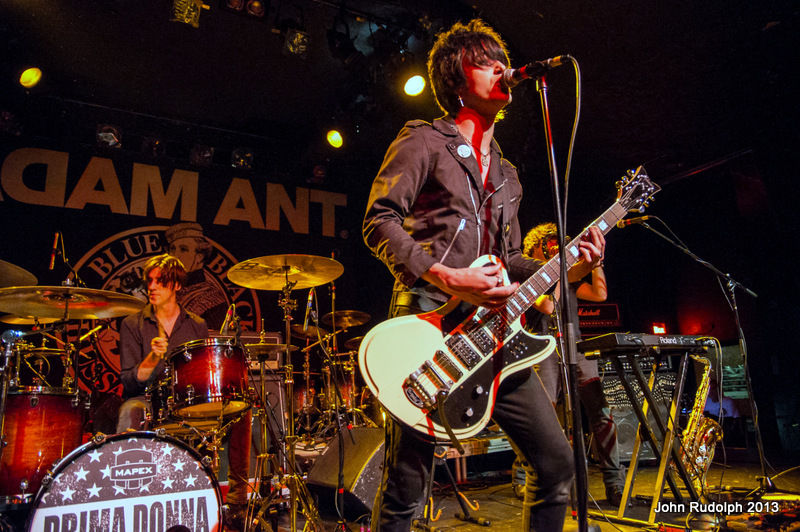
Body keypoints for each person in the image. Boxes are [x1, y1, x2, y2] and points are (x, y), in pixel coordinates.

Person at [362, 19, 605, 531]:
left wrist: (573, 266)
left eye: (503, 60)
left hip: (493, 334)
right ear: (456, 80)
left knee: (557, 464)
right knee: (408, 484)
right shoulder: (424, 140)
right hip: (429, 323)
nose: (501, 68)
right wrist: (445, 276)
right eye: (485, 61)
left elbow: (511, 257)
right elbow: (379, 220)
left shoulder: (508, 175)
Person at [116, 254, 252, 531]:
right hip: (149, 399)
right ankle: (128, 500)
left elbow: (201, 371)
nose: (152, 287)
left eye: (161, 281)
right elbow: (129, 383)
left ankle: (238, 502)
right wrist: (152, 358)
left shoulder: (196, 324)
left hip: (186, 400)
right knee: (129, 410)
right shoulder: (132, 323)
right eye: (149, 281)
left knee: (241, 410)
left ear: (177, 285)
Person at [514, 222, 625, 506]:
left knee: (601, 412)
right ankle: (523, 476)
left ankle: (614, 481)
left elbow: (600, 294)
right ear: (534, 248)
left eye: (557, 243)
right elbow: (548, 305)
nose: (555, 248)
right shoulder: (528, 280)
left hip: (576, 347)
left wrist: (596, 263)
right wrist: (561, 270)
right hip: (543, 349)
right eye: (549, 244)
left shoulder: (570, 278)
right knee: (542, 417)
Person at [165, 222, 228, 329]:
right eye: (173, 249)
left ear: (200, 256)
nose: (175, 256)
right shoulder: (166, 292)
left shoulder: (212, 302)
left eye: (183, 249)